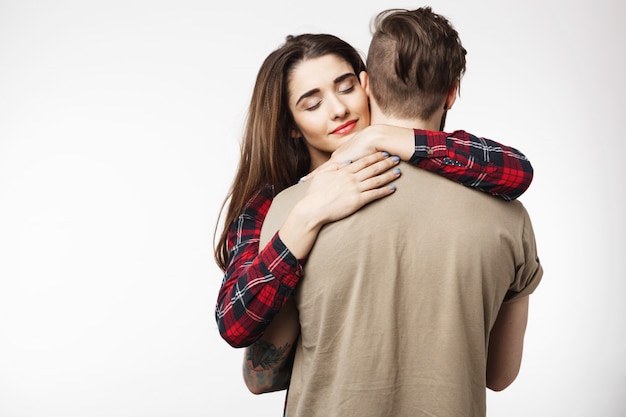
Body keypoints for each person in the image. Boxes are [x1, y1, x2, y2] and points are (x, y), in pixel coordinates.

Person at [247, 7, 543, 417]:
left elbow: (260, 377)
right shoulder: (510, 216)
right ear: (452, 91)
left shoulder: (296, 208)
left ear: (367, 84)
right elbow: (500, 373)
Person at [214, 32, 534, 349]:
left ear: (368, 85)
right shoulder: (270, 205)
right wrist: (307, 216)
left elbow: (516, 171)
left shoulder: (421, 161)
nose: (338, 109)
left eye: (347, 88)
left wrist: (380, 136)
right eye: (313, 105)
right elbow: (233, 324)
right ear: (291, 127)